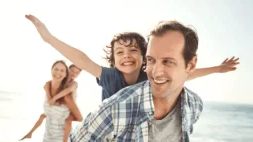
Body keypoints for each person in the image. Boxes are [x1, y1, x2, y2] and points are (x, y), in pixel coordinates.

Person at [25, 14, 240, 102]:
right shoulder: (108, 76)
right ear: (113, 60)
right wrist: (48, 38)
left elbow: (185, 74)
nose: (126, 56)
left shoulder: (150, 76)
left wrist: (217, 69)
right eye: (120, 52)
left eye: (133, 50)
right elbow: (81, 59)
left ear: (145, 56)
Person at [71, 20, 204, 142]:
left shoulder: (194, 105)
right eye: (151, 60)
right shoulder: (116, 107)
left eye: (167, 61)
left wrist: (218, 69)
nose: (156, 72)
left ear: (190, 65)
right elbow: (77, 139)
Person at [20, 61, 83, 142]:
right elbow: (47, 86)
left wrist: (54, 99)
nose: (73, 74)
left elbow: (67, 91)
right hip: (49, 133)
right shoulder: (55, 83)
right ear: (68, 71)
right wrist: (51, 98)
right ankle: (30, 133)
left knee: (67, 121)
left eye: (76, 73)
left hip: (69, 109)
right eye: (72, 71)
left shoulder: (74, 84)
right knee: (43, 116)